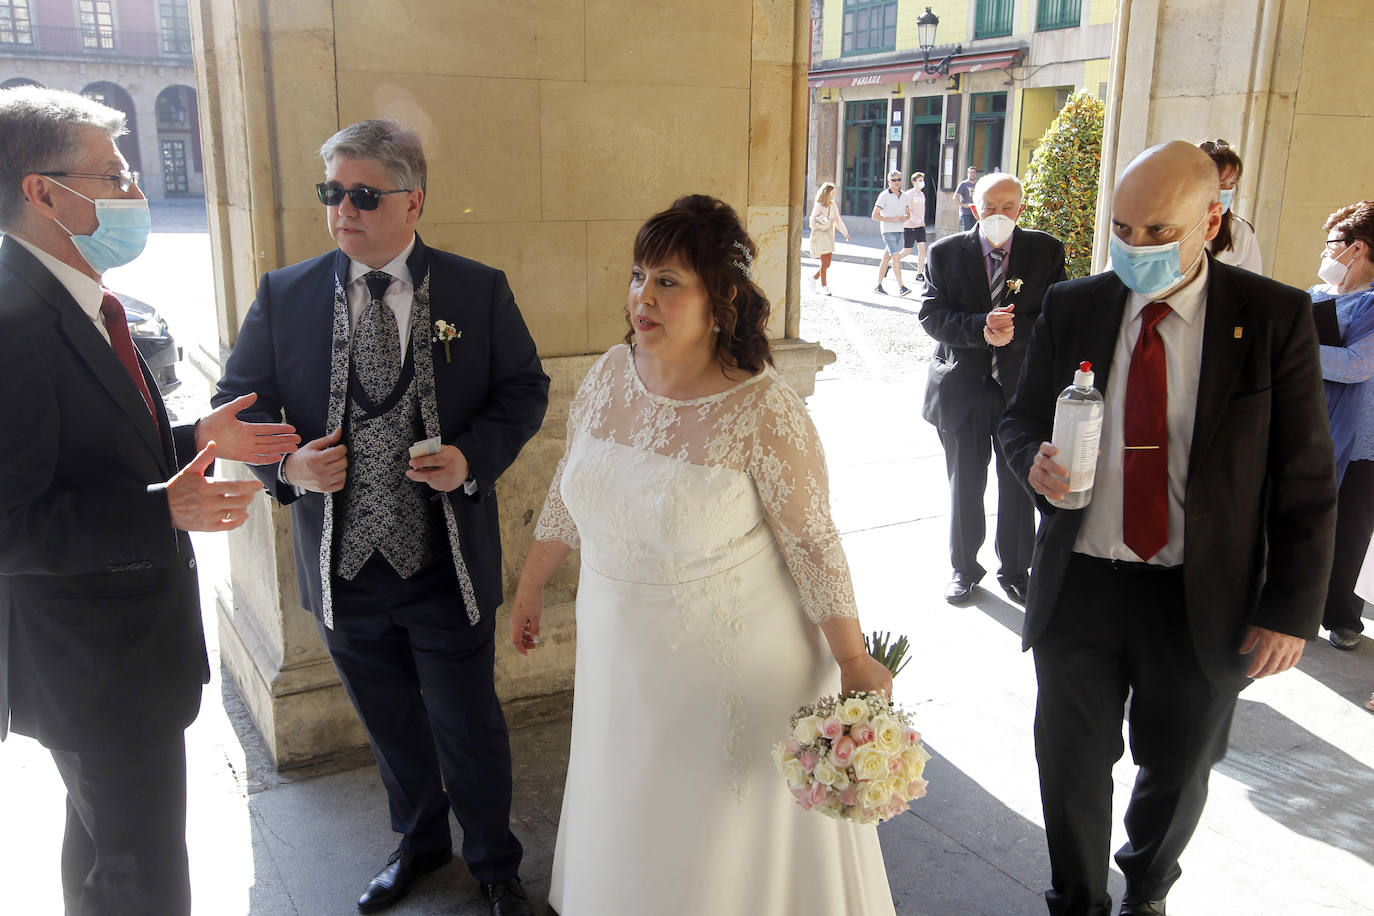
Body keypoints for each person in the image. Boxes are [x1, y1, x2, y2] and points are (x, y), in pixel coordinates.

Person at [509, 195, 897, 916]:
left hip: (724, 664)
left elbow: (812, 543)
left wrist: (851, 660)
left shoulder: (765, 410)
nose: (641, 298)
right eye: (637, 276)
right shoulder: (607, 376)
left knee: (709, 836)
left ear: (721, 297)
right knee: (626, 801)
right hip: (619, 650)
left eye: (667, 281)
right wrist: (532, 585)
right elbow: (571, 488)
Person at [213, 119, 548, 916]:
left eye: (364, 194)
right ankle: (420, 843)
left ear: (414, 200)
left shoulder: (477, 288)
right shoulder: (285, 294)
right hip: (342, 569)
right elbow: (236, 405)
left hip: (446, 564)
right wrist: (285, 467)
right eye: (332, 192)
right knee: (391, 726)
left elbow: (524, 390)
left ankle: (496, 863)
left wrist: (471, 456)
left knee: (467, 724)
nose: (344, 209)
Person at [999, 141, 1337, 916]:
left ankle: (1145, 891)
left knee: (1179, 765)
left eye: (1157, 231)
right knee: (1070, 764)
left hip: (1200, 593)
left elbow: (1307, 475)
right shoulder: (1077, 304)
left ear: (1210, 220)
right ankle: (1077, 900)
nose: (1135, 247)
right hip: (1081, 581)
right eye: (1122, 228)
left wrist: (1290, 609)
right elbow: (1019, 420)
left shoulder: (1273, 316)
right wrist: (1032, 464)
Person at [0, 86, 298, 914]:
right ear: (42, 191)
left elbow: (87, 454)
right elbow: (9, 523)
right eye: (112, 173)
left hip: (118, 657)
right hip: (91, 664)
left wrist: (195, 434)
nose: (134, 191)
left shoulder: (70, 290)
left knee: (105, 851)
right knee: (144, 875)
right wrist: (157, 510)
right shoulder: (12, 320)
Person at [918, 173, 1066, 606]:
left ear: (1021, 209)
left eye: (1007, 207)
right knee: (965, 483)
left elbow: (1054, 314)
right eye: (989, 207)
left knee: (1020, 483)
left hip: (1020, 389)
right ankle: (964, 569)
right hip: (963, 387)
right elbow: (931, 315)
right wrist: (980, 329)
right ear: (973, 207)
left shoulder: (1045, 250)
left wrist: (1013, 333)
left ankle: (1017, 570)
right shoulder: (946, 253)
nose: (998, 215)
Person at [1308, 201, 1374, 651]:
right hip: (1310, 430)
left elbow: (1356, 365)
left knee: (1349, 531)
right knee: (1302, 524)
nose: (1325, 254)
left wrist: (1293, 351)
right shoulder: (1316, 296)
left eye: (1332, 244)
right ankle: (1294, 607)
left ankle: (1342, 615)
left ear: (1356, 249)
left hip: (1362, 441)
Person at [1198, 138, 1262, 273]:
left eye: (1232, 183)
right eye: (1220, 183)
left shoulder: (1241, 231)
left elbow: (1254, 286)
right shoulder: (1173, 226)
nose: (1227, 190)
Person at [872, 169, 911, 295]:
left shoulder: (905, 196)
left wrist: (905, 217)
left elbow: (908, 213)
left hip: (899, 230)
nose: (896, 182)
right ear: (889, 182)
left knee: (886, 258)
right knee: (895, 257)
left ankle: (878, 285)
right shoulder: (884, 196)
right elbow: (874, 215)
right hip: (887, 231)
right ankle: (902, 286)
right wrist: (890, 219)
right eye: (893, 180)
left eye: (899, 179)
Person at [808, 181, 849, 296]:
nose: (834, 194)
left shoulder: (833, 204)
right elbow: (812, 220)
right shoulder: (819, 205)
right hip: (821, 234)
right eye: (832, 192)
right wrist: (816, 229)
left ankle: (813, 278)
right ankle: (824, 286)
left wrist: (845, 232)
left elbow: (837, 219)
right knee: (824, 261)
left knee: (827, 263)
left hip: (830, 234)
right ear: (827, 193)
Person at [899, 171, 928, 284]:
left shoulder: (922, 195)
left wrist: (922, 220)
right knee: (907, 251)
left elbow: (922, 210)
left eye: (922, 181)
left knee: (922, 249)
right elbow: (907, 209)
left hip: (920, 227)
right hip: (909, 226)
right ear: (914, 182)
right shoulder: (909, 194)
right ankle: (890, 263)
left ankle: (919, 273)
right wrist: (915, 220)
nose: (922, 183)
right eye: (920, 181)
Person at [956, 166, 978, 231]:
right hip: (965, 212)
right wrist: (963, 205)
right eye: (970, 173)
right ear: (967, 174)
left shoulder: (978, 184)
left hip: (975, 212)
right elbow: (955, 197)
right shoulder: (963, 184)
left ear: (976, 174)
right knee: (966, 230)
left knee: (974, 231)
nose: (972, 174)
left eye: (974, 173)